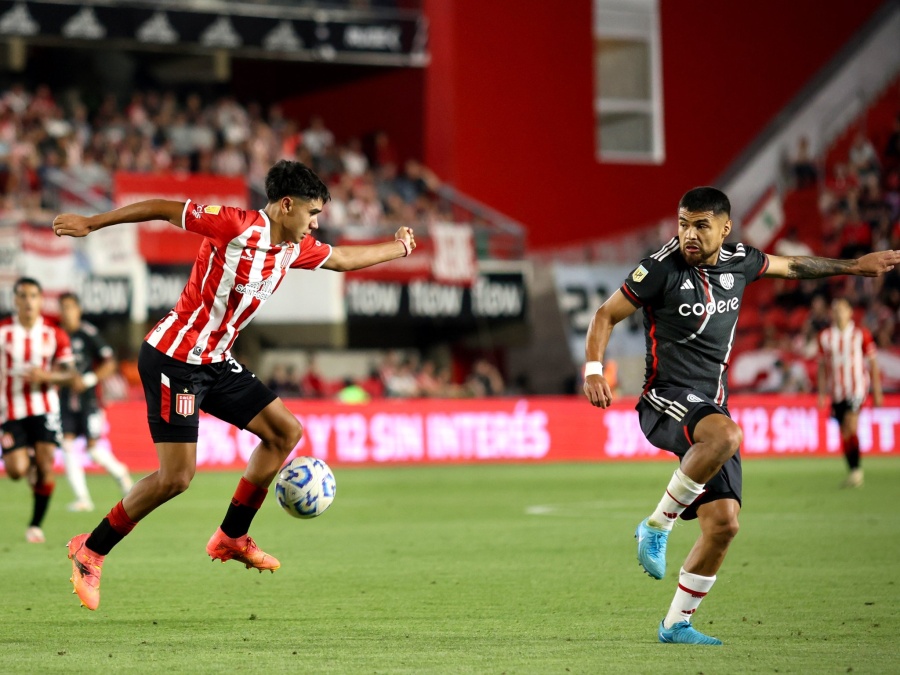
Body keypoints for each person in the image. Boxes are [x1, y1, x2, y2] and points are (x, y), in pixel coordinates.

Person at [53, 159, 416, 610]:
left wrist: (398, 249)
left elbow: (341, 259)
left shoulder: (291, 248)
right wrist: (92, 222)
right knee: (176, 477)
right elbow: (164, 208)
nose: (316, 223)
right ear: (286, 205)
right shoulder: (235, 225)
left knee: (285, 432)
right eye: (312, 213)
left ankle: (231, 535)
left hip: (215, 361)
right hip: (174, 359)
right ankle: (91, 549)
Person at [582, 187, 900, 646]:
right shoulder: (659, 267)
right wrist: (594, 370)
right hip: (664, 397)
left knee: (724, 525)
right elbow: (604, 315)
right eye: (683, 223)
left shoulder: (741, 260)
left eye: (700, 225)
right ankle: (656, 526)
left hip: (711, 406)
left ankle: (676, 624)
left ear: (724, 228)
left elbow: (794, 268)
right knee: (727, 436)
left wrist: (853, 266)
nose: (689, 234)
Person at [0, 278, 76, 542]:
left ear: (41, 300)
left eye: (33, 295)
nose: (28, 301)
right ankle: (27, 460)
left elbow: (70, 374)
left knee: (46, 465)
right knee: (15, 471)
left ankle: (35, 525)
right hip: (10, 410)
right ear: (15, 300)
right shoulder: (3, 332)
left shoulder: (54, 333)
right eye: (23, 295)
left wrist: (47, 376)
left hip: (45, 408)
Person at [57, 292, 134, 512]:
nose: (67, 312)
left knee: (93, 449)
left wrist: (89, 379)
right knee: (67, 444)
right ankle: (82, 498)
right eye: (63, 307)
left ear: (78, 310)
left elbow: (110, 363)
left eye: (71, 307)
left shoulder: (87, 333)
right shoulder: (55, 334)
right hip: (65, 400)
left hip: (89, 400)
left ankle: (120, 472)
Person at [817, 297, 882, 488]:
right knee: (845, 431)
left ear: (850, 312)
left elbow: (873, 363)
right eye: (835, 309)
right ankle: (854, 470)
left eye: (842, 309)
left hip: (857, 388)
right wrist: (822, 393)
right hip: (837, 391)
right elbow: (822, 367)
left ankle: (857, 471)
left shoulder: (861, 334)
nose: (839, 312)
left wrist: (877, 392)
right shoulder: (825, 337)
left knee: (850, 424)